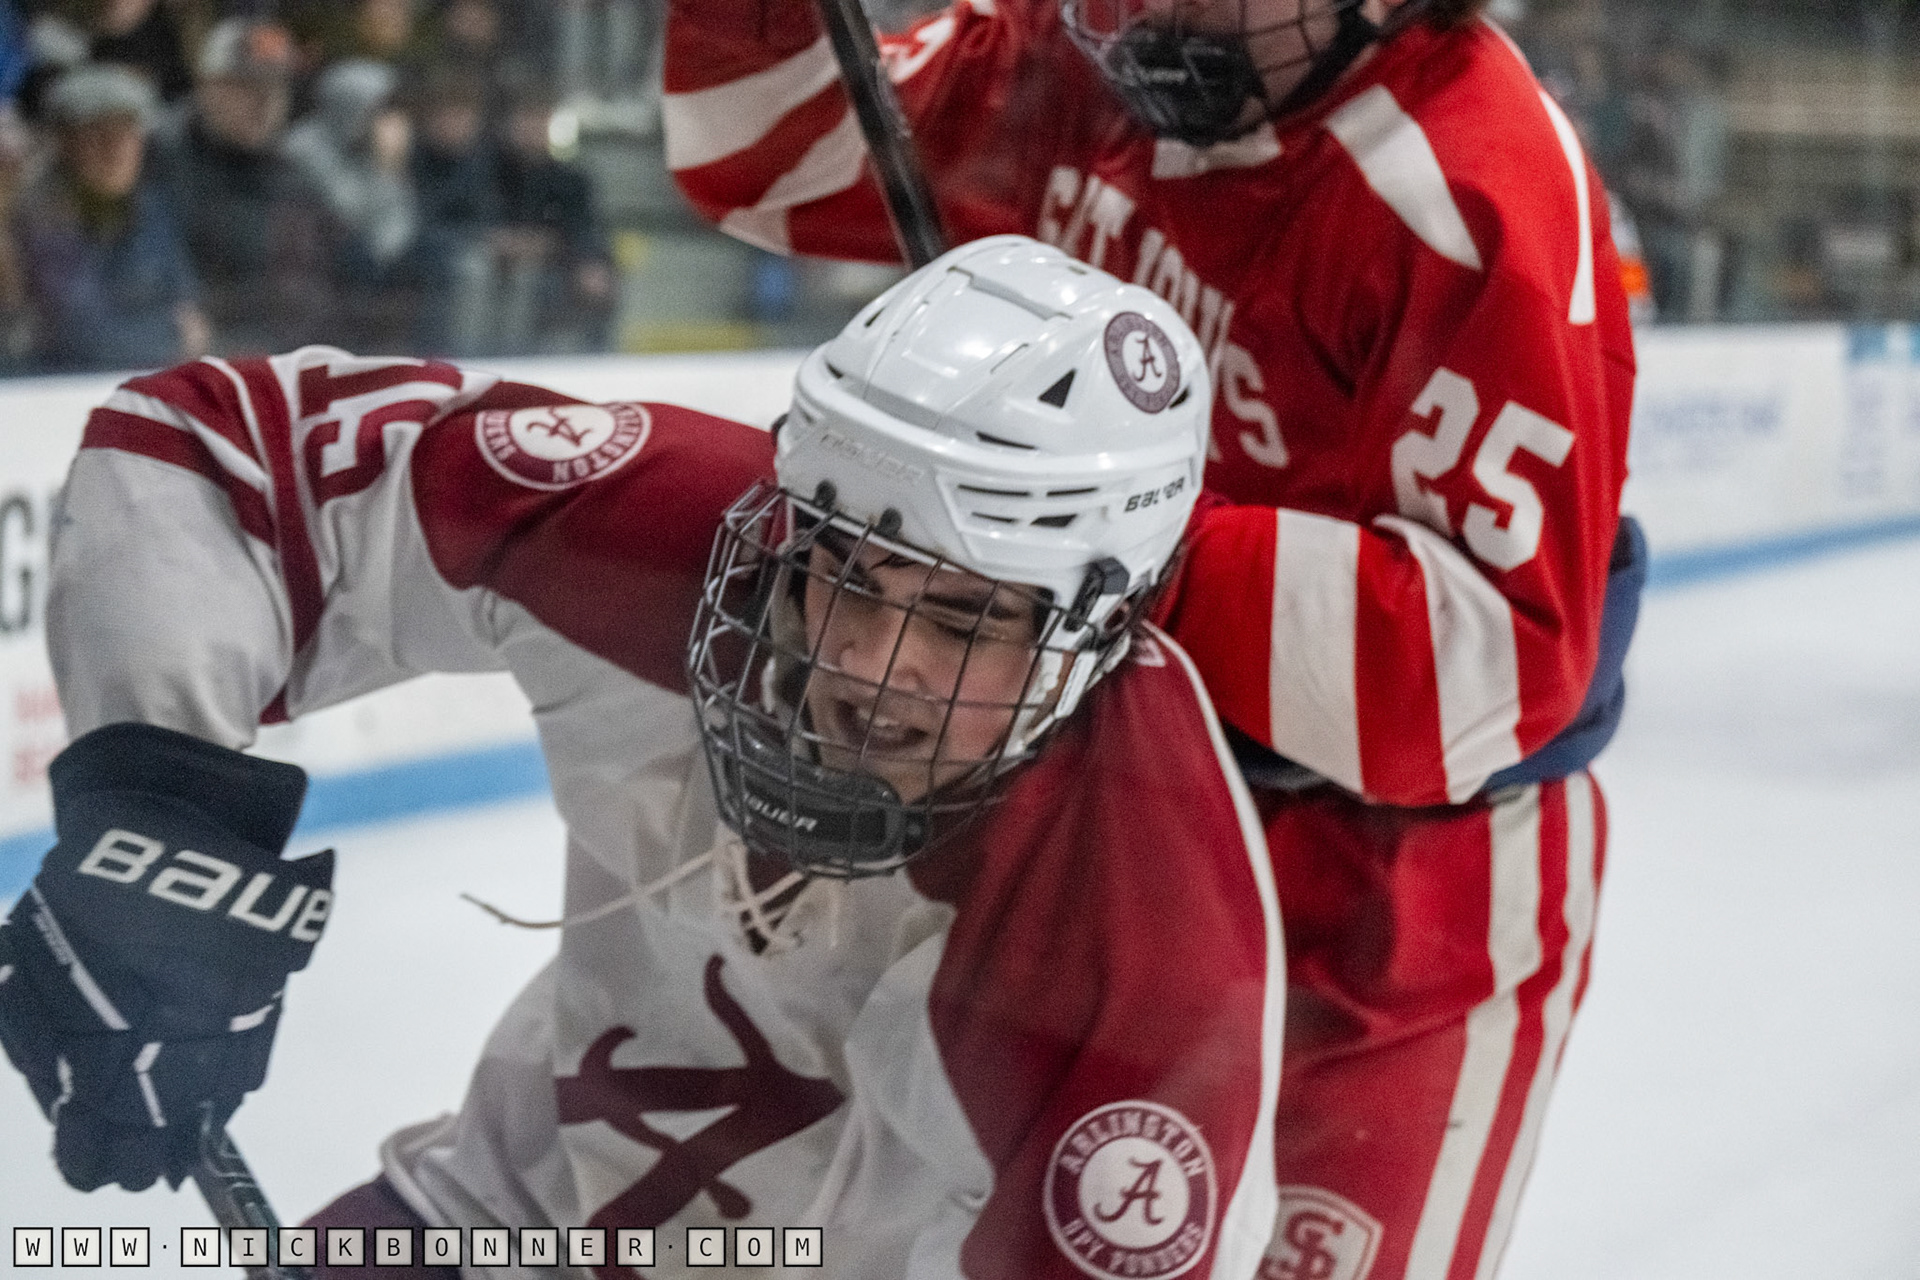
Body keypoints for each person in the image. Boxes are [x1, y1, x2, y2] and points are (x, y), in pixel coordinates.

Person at [0, 236, 1287, 1280]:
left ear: (1094, 629)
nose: (867, 666)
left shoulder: (1148, 964)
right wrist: (156, 814)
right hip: (498, 1229)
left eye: (963, 619)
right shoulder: (672, 533)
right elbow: (207, 457)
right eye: (843, 570)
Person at [660, 1, 1641, 1276]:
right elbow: (770, 158)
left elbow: (1491, 667)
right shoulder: (1062, 57)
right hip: (1082, 802)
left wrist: (1087, 535)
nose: (1131, 7)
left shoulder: (1470, 182)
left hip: (1389, 889)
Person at [149, 17, 342, 354]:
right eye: (249, 86)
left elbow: (343, 267)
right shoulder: (162, 162)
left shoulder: (295, 174)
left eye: (277, 87)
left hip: (294, 356)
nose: (266, 102)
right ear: (208, 86)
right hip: (206, 362)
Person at [14, 61, 208, 370]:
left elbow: (191, 313)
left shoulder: (151, 206)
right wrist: (169, 334)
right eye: (97, 133)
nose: (115, 149)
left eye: (127, 132)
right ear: (64, 144)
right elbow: (81, 336)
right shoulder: (40, 215)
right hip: (52, 388)